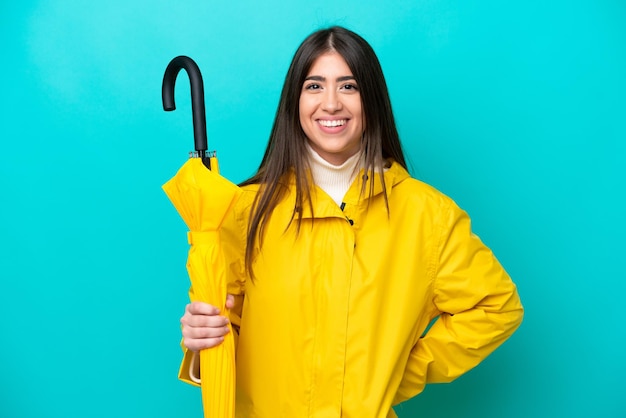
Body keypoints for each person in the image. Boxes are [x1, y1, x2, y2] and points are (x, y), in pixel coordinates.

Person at [179, 26, 523, 417]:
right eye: (314, 86)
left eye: (348, 86)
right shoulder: (244, 210)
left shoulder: (426, 215)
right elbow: (228, 331)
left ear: (371, 99)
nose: (330, 104)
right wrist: (200, 344)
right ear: (294, 100)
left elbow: (496, 306)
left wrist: (393, 375)